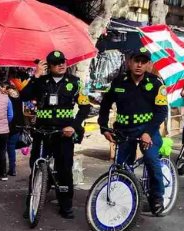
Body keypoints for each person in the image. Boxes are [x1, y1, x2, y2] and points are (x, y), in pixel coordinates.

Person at [21, 50, 91, 219]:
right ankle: (32, 202)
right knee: (36, 166)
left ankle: (66, 205)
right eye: (57, 63)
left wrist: (73, 126)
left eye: (63, 62)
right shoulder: (41, 81)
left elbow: (85, 107)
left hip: (63, 133)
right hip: (42, 131)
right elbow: (24, 96)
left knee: (64, 169)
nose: (61, 65)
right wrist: (35, 75)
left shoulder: (75, 82)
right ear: (49, 66)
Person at [98, 47, 168, 216]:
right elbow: (105, 105)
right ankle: (126, 197)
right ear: (129, 62)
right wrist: (103, 127)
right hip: (124, 132)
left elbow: (161, 111)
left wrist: (148, 133)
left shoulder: (156, 84)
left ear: (148, 64)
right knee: (121, 167)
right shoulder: (118, 82)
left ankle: (157, 197)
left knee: (151, 160)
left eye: (143, 62)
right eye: (136, 61)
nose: (139, 65)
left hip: (147, 131)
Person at [4, 82, 24, 176]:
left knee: (6, 147)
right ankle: (12, 169)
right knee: (11, 147)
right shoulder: (19, 98)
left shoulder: (7, 99)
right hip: (19, 125)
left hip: (9, 125)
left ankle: (8, 169)